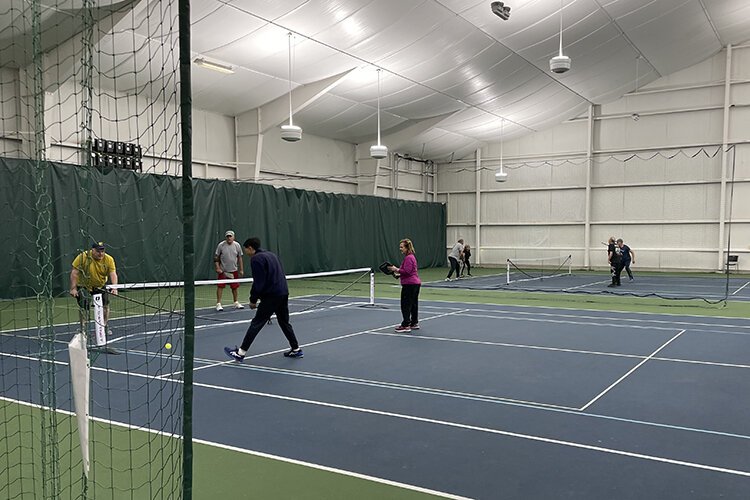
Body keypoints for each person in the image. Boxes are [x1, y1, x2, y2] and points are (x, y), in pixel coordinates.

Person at [224, 237, 302, 361]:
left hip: (272, 296)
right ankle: (296, 349)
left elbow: (259, 282)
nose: (245, 253)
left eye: (246, 250)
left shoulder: (256, 259)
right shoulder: (272, 255)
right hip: (283, 293)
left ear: (250, 248)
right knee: (284, 322)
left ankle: (241, 352)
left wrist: (253, 300)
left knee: (256, 323)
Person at [69, 241, 119, 333]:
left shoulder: (109, 259)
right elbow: (74, 272)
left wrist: (114, 287)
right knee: (84, 306)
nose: (101, 254)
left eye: (102, 251)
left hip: (100, 285)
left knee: (105, 306)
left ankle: (104, 325)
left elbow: (113, 273)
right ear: (92, 250)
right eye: (98, 251)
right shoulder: (83, 257)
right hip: (84, 285)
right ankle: (82, 327)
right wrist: (73, 288)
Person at [388, 239, 421, 333]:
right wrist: (398, 275)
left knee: (406, 305)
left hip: (410, 285)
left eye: (402, 247)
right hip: (414, 284)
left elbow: (407, 271)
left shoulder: (409, 258)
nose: (400, 249)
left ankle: (406, 325)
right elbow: (409, 272)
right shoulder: (410, 257)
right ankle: (414, 323)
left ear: (407, 248)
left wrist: (396, 269)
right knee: (413, 304)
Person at [214, 230, 244, 311]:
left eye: (230, 236)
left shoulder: (237, 245)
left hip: (233, 270)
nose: (229, 238)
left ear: (233, 237)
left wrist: (241, 269)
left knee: (234, 287)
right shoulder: (221, 245)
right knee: (220, 287)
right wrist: (217, 268)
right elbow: (216, 257)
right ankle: (218, 303)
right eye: (227, 236)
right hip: (223, 271)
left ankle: (236, 302)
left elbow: (240, 258)